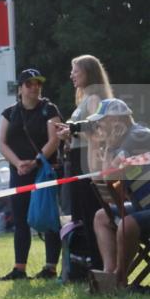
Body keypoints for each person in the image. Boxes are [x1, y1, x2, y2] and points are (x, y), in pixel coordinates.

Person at [0, 68, 63, 280]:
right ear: (20, 88)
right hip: (19, 172)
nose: (34, 87)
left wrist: (35, 162)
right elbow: (2, 143)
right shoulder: (10, 113)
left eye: (38, 84)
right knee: (20, 219)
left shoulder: (49, 109)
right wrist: (17, 163)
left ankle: (50, 267)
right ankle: (19, 268)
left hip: (44, 170)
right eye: (29, 84)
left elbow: (54, 139)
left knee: (48, 216)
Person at [56, 54, 114, 269]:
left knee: (90, 212)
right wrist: (69, 134)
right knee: (81, 212)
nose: (72, 75)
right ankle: (89, 261)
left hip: (87, 163)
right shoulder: (85, 98)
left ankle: (98, 263)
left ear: (88, 73)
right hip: (78, 159)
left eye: (76, 71)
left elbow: (99, 131)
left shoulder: (93, 100)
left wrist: (72, 132)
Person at [89, 99, 150, 287]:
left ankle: (119, 278)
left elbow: (109, 175)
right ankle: (108, 273)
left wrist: (107, 147)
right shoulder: (121, 141)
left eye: (102, 120)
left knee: (127, 224)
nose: (99, 125)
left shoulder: (138, 136)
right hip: (144, 206)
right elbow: (100, 180)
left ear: (116, 120)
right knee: (102, 217)